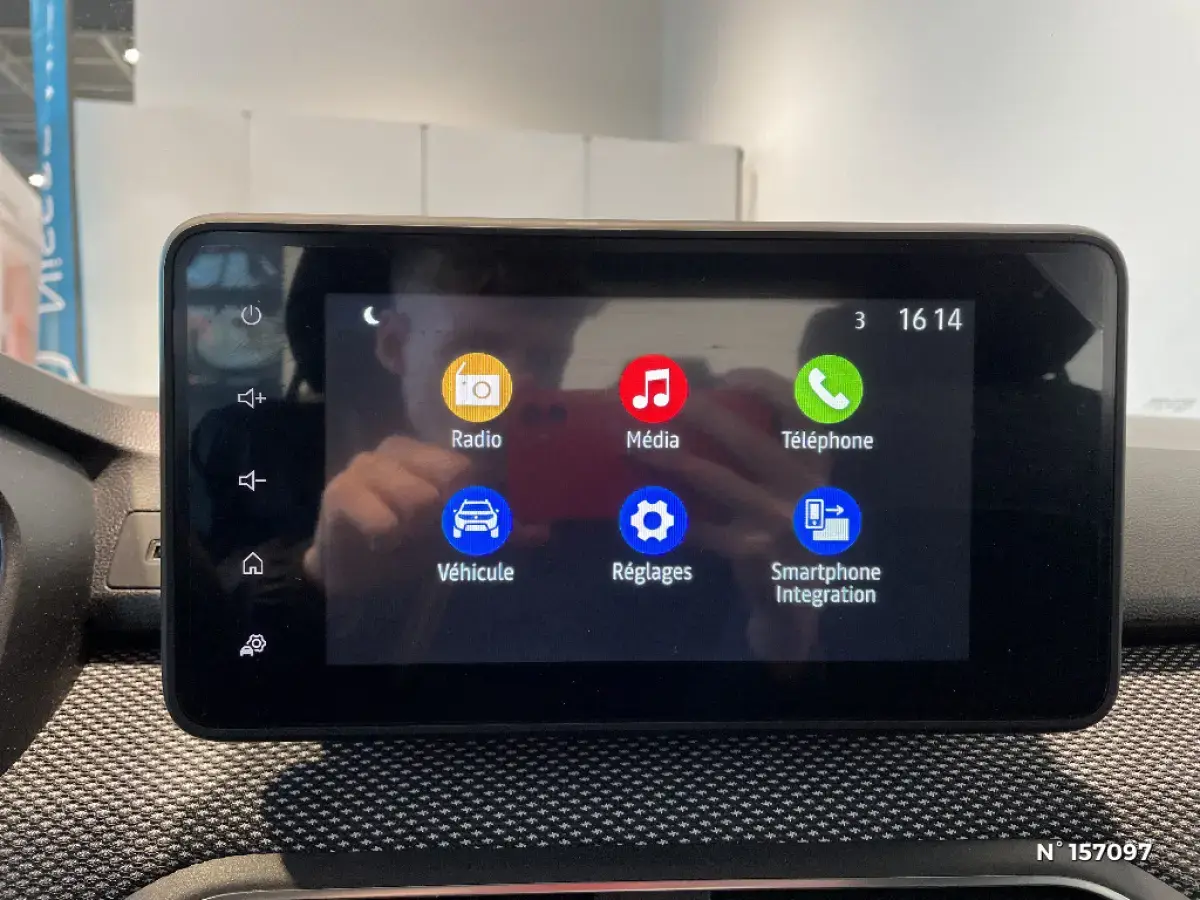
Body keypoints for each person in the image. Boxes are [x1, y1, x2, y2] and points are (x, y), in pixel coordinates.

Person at [293, 242, 829, 664]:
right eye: (476, 350)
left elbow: (690, 712)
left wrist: (783, 630)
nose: (517, 385)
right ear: (394, 346)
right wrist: (316, 583)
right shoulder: (295, 468)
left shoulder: (645, 499)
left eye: (548, 357)